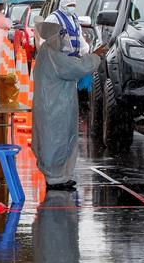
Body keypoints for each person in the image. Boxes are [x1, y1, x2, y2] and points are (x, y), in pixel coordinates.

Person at [31, 20, 107, 190]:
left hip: (52, 107)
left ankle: (59, 176)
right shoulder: (52, 55)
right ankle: (55, 178)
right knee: (56, 141)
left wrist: (92, 56)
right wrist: (94, 56)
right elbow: (75, 68)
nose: (64, 39)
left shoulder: (47, 53)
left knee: (55, 140)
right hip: (55, 108)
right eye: (61, 35)